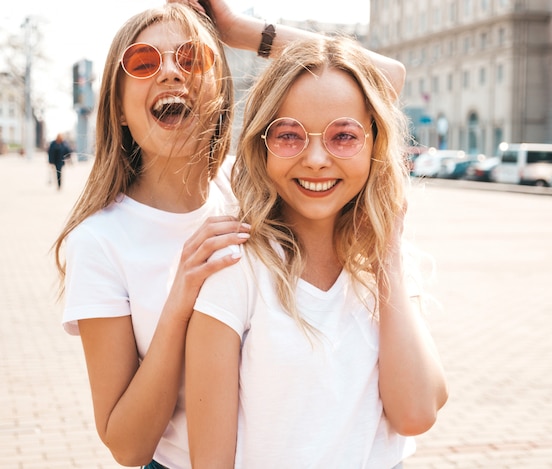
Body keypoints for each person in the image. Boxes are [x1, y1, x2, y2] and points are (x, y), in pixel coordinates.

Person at [52, 2, 407, 468]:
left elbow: (384, 77)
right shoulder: (98, 242)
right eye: (143, 62)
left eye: (191, 58)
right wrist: (181, 301)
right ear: (117, 108)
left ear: (217, 90)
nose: (171, 73)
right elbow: (127, 445)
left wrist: (240, 31)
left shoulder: (253, 189)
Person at [186, 36, 448, 468]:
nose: (316, 159)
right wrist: (242, 32)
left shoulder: (385, 265)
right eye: (288, 135)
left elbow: (416, 412)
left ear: (375, 144)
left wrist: (387, 260)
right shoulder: (236, 266)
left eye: (343, 136)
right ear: (260, 144)